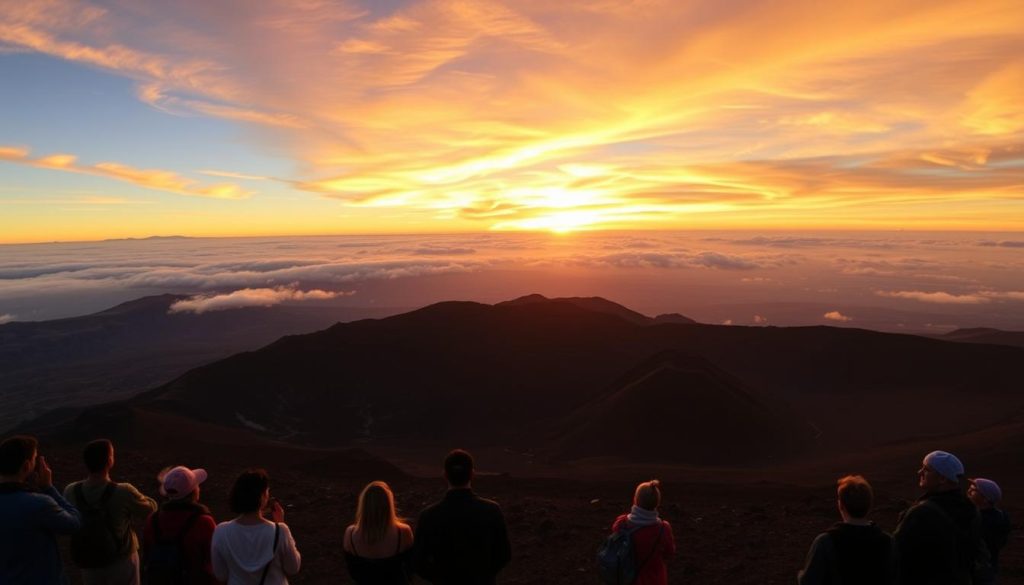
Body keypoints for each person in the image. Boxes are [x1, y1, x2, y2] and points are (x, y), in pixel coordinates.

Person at [64, 438, 158, 585]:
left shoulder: (70, 491)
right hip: (121, 561)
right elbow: (151, 510)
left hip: (89, 563)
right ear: (109, 461)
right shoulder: (124, 491)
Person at [894, 450, 993, 585]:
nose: (919, 472)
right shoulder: (971, 510)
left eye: (926, 470)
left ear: (942, 479)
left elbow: (895, 553)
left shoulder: (921, 513)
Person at [414, 449, 511, 585]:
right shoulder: (491, 511)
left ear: (445, 475)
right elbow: (504, 554)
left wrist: (441, 578)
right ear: (472, 474)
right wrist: (483, 575)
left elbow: (419, 562)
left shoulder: (429, 516)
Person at [0, 434, 82, 584]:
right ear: (26, 466)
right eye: (34, 459)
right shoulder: (39, 504)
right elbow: (74, 523)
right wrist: (48, 488)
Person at [797, 475, 895, 585]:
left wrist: (800, 575)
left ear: (841, 506)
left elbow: (809, 581)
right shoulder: (888, 542)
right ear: (869, 505)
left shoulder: (825, 542)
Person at [212, 468, 301, 585]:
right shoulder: (280, 531)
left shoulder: (221, 531)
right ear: (263, 496)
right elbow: (293, 568)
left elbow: (221, 575)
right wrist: (281, 523)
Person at [142, 465, 219, 585]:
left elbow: (146, 554)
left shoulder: (152, 520)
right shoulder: (203, 522)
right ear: (194, 492)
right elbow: (214, 560)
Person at [344, 480, 414, 584]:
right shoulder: (403, 532)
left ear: (363, 504)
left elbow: (352, 571)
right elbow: (411, 567)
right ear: (389, 504)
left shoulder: (350, 534)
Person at [609, 479, 676, 585]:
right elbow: (669, 553)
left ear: (635, 500)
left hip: (626, 578)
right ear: (657, 502)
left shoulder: (622, 523)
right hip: (655, 579)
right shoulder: (664, 528)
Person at [969, 478, 1011, 581]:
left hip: (978, 571)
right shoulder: (1001, 516)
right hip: (989, 568)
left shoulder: (982, 520)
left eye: (973, 490)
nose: (969, 491)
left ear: (985, 499)